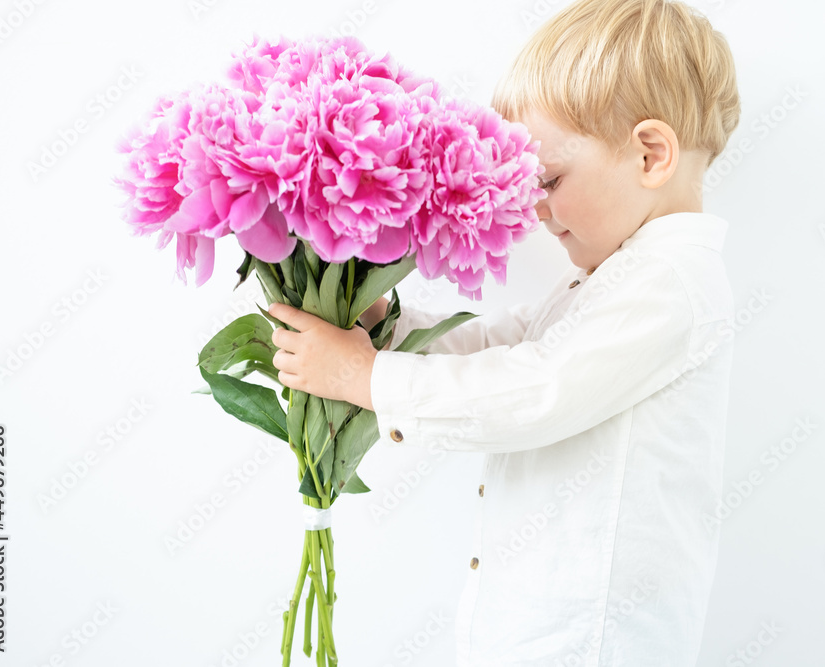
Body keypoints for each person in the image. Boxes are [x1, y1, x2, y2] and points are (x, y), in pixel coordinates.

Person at [267, 0, 742, 664]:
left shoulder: (668, 284)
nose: (535, 206)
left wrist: (365, 377)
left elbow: (536, 389)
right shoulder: (620, 277)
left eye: (548, 178)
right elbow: (510, 344)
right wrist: (389, 327)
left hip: (592, 642)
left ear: (651, 155)